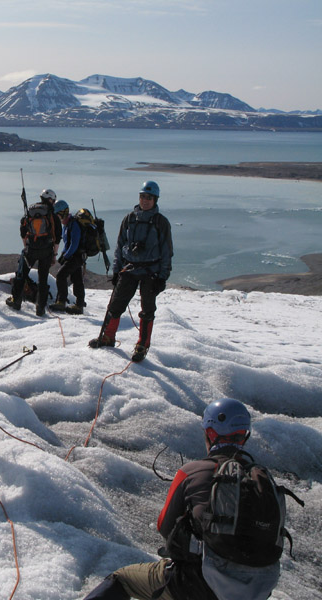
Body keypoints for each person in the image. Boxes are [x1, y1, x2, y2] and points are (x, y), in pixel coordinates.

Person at [83, 398, 261, 600]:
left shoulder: (192, 472)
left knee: (121, 579)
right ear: (244, 436)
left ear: (210, 433)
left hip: (199, 584)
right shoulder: (261, 479)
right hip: (255, 589)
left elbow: (165, 527)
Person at [88, 181, 173, 362]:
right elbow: (120, 246)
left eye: (149, 197)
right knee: (116, 304)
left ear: (155, 199)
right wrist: (117, 270)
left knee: (147, 309)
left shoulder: (161, 222)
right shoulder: (129, 219)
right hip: (129, 268)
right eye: (142, 196)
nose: (145, 200)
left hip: (151, 271)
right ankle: (107, 337)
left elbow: (167, 251)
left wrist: (162, 277)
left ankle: (142, 346)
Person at [6, 189, 61, 316]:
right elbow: (57, 238)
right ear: (50, 200)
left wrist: (26, 247)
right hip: (46, 251)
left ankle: (16, 301)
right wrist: (54, 255)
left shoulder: (30, 212)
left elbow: (22, 233)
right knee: (43, 278)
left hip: (30, 249)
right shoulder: (52, 216)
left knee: (22, 274)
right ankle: (40, 307)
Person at [49, 200, 86, 315]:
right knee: (77, 279)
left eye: (58, 215)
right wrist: (63, 254)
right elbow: (67, 243)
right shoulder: (67, 225)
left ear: (63, 213)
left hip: (76, 256)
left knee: (61, 275)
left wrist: (66, 256)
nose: (57, 218)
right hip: (75, 256)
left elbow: (74, 244)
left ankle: (61, 302)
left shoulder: (73, 224)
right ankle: (79, 305)